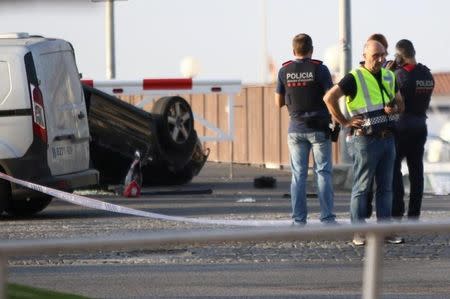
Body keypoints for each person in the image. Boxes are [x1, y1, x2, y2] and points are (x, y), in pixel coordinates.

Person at [324, 40, 405, 245]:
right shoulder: (355, 77)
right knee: (362, 187)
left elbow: (401, 104)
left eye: (383, 55)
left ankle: (385, 231)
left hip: (388, 139)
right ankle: (358, 232)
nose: (380, 59)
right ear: (365, 55)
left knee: (386, 188)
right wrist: (345, 121)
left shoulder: (389, 75)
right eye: (375, 55)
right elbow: (329, 98)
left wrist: (394, 108)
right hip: (365, 141)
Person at [275, 33, 336, 225]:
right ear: (311, 50)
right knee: (323, 173)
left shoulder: (284, 71)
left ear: (294, 51)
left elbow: (278, 103)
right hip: (319, 129)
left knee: (298, 175)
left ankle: (299, 220)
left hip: (295, 128)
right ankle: (327, 218)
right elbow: (331, 97)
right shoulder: (320, 69)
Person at [392, 39, 435, 220]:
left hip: (401, 127)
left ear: (399, 56)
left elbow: (393, 99)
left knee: (395, 169)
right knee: (417, 171)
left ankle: (397, 210)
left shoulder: (398, 75)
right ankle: (414, 214)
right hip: (420, 126)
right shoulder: (427, 74)